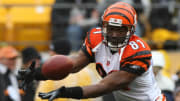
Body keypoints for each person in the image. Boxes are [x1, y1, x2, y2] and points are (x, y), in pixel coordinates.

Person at [18, 2, 166, 101]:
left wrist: (66, 93)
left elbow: (105, 86)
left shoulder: (138, 52)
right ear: (103, 26)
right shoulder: (96, 38)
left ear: (131, 31)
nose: (114, 34)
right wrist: (38, 74)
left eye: (120, 30)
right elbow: (74, 65)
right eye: (111, 28)